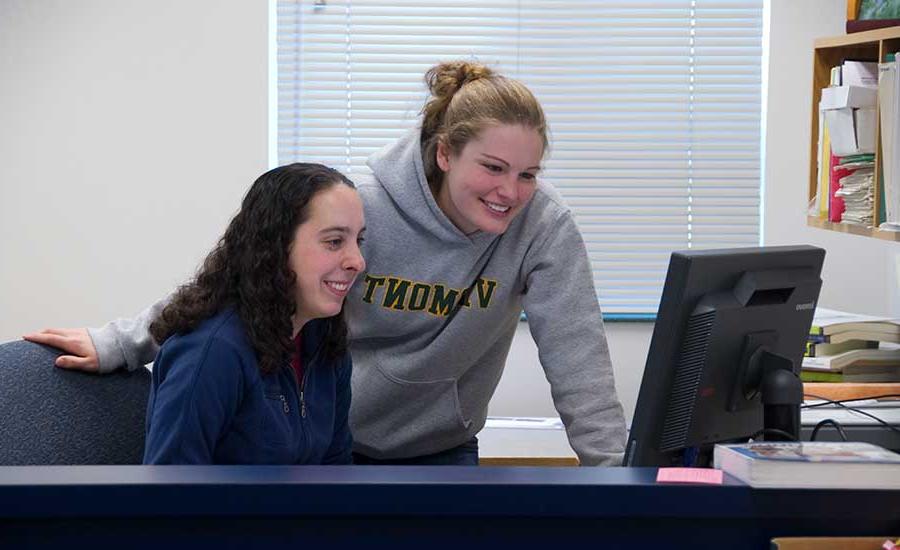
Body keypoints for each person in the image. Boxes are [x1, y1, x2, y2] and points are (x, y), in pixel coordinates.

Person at [25, 61, 625, 466]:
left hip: (437, 448)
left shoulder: (542, 226)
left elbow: (580, 362)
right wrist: (122, 342)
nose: (510, 192)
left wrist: (620, 483)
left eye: (527, 174)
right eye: (492, 167)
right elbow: (242, 272)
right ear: (444, 152)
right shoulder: (360, 209)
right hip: (334, 445)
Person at [139, 163, 364, 464]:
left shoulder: (324, 340)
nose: (358, 262)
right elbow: (168, 497)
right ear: (276, 245)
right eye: (335, 241)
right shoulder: (213, 352)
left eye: (358, 241)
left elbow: (337, 473)